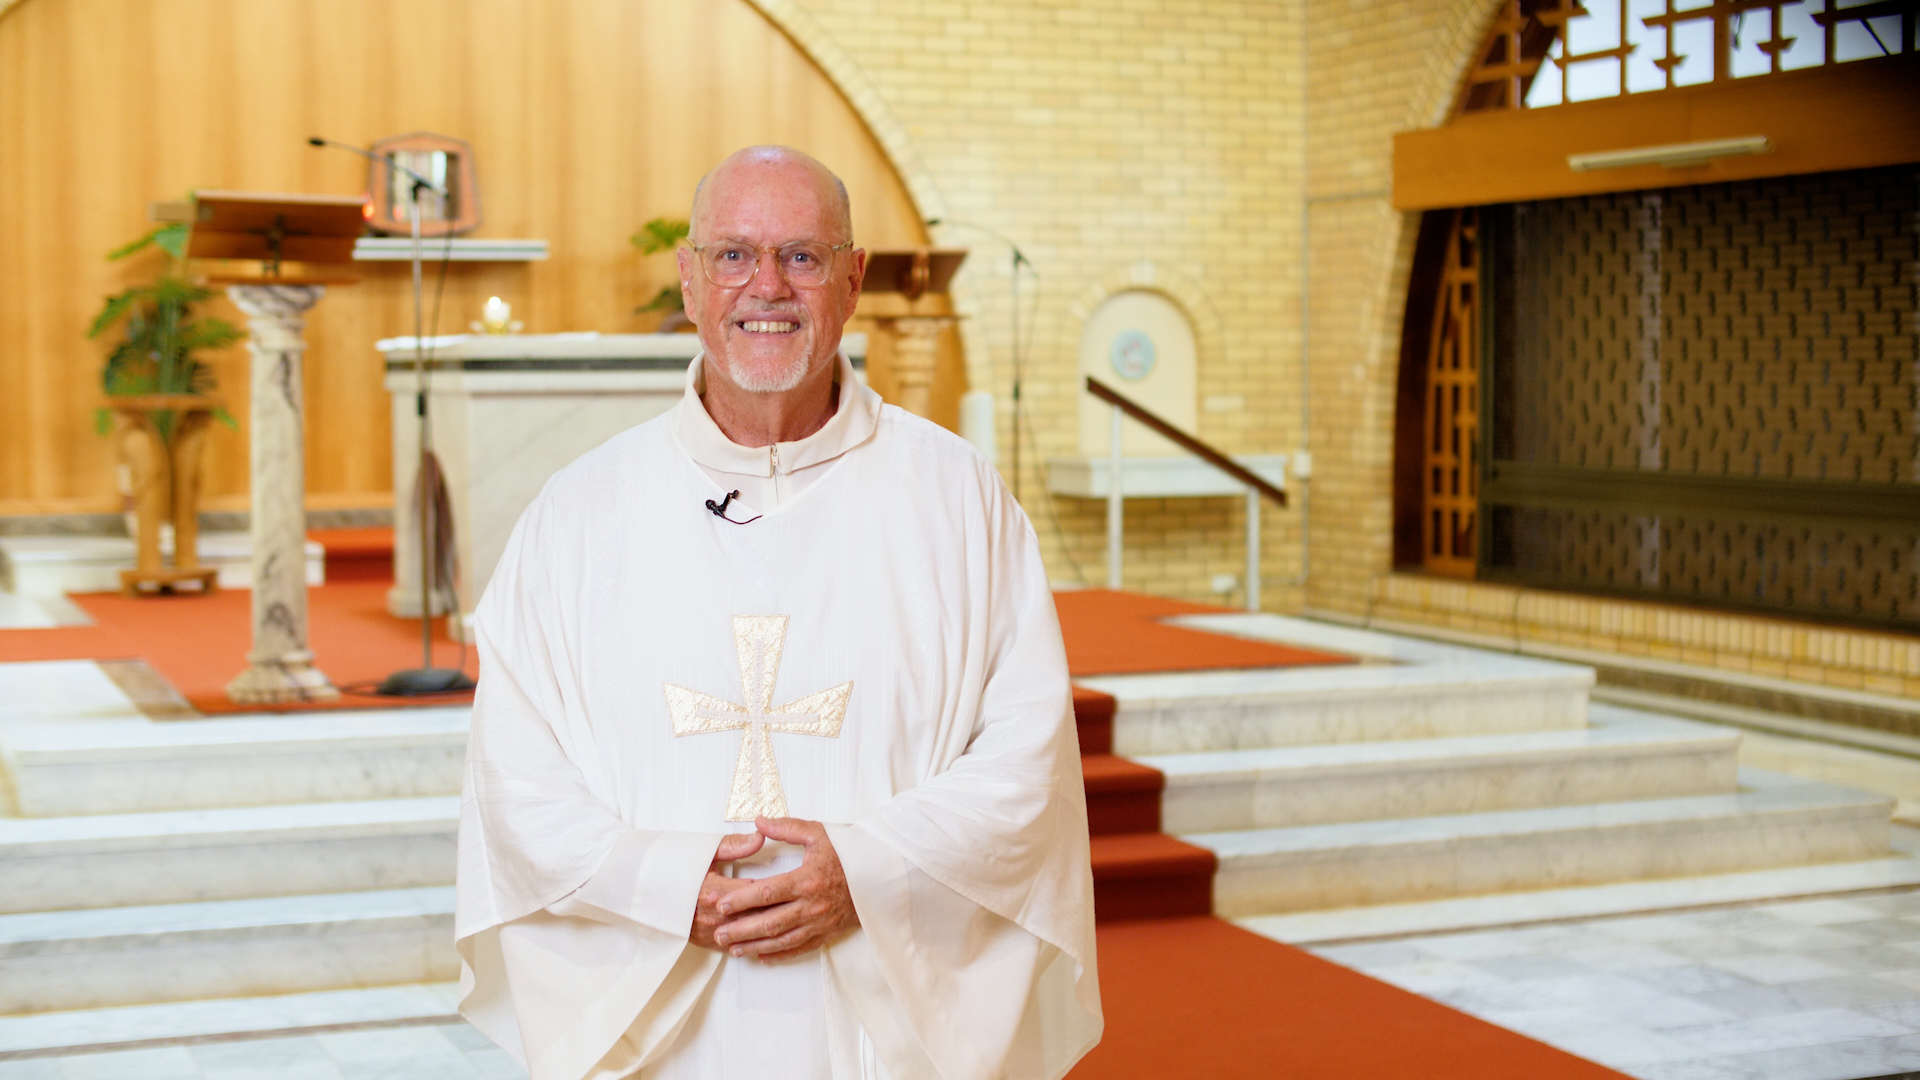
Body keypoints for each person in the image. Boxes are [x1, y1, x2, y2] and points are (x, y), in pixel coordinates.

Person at [454, 146, 1102, 1080]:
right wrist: (669, 888)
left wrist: (868, 873)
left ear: (852, 278)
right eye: (732, 256)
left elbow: (1027, 752)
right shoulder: (579, 511)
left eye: (802, 256)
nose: (768, 286)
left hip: (884, 1015)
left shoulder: (957, 497)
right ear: (688, 279)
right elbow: (513, 772)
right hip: (658, 1012)